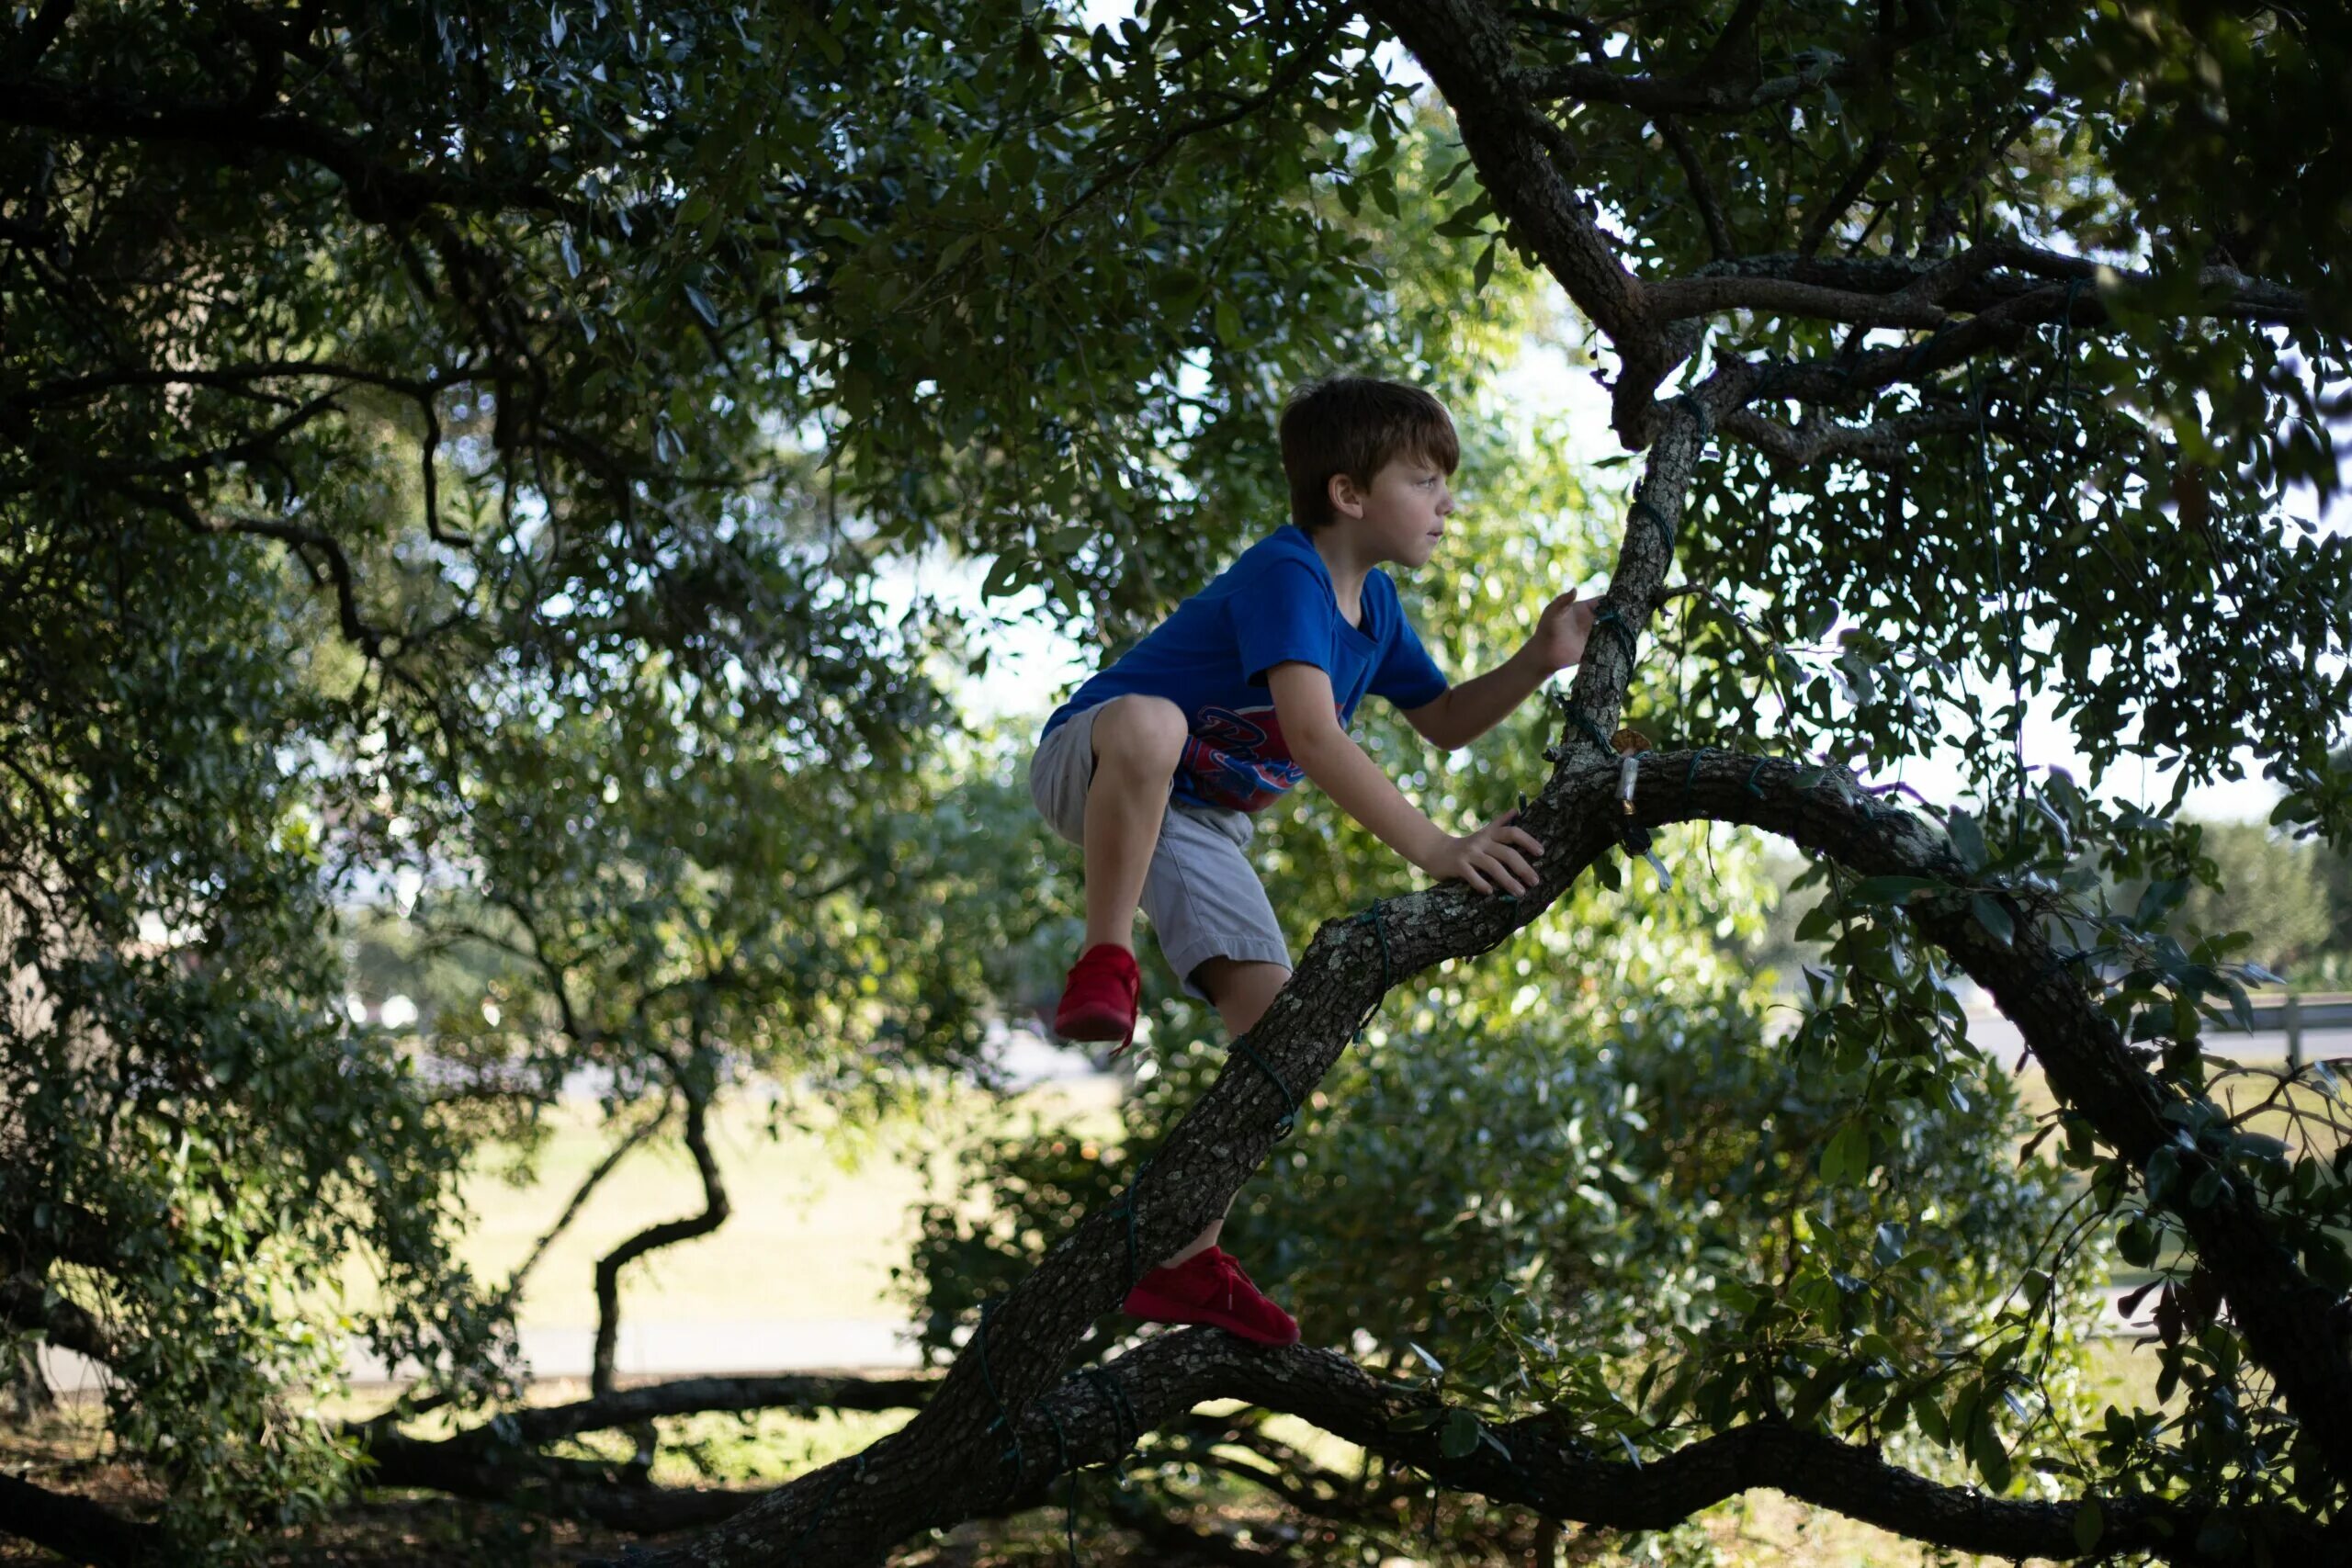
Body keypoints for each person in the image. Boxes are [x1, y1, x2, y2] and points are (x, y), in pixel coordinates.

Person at [1026, 376, 1597, 1345]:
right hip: (1098, 762)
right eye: (1424, 481)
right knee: (1152, 719)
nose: (1445, 503)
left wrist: (1540, 660)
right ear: (1348, 495)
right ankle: (1104, 958)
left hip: (1197, 821)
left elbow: (1446, 721)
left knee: (1280, 1021)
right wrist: (1438, 848)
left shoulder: (1374, 613)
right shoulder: (1286, 573)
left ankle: (1184, 1257)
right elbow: (1315, 737)